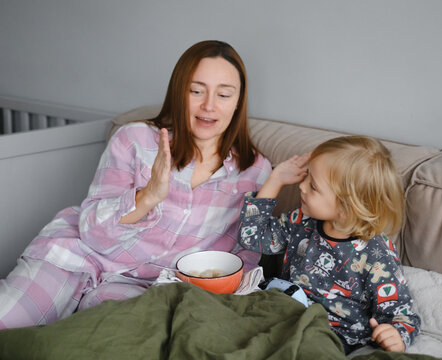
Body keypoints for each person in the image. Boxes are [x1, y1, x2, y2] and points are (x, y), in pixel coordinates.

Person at [0, 40, 272, 329]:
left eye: (224, 94)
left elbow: (244, 258)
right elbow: (91, 231)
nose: (209, 105)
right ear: (178, 93)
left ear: (239, 101)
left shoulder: (255, 172)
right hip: (77, 257)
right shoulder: (134, 139)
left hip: (147, 288)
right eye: (196, 91)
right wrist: (148, 197)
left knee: (103, 343)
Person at [237, 135, 421, 354]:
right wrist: (275, 180)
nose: (301, 186)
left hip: (326, 336)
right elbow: (252, 236)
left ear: (347, 206)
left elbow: (400, 313)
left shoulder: (376, 253)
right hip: (282, 314)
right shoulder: (301, 221)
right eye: (306, 178)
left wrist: (396, 335)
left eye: (313, 186)